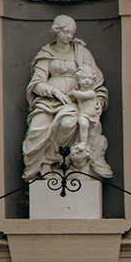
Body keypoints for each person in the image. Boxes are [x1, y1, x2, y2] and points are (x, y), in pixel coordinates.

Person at [21, 15, 113, 182]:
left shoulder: (81, 52)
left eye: (72, 32)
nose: (69, 36)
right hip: (49, 101)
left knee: (68, 122)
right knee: (37, 127)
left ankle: (56, 160)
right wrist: (55, 92)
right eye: (66, 32)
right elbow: (36, 83)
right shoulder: (46, 53)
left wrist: (98, 100)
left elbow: (95, 80)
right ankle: (43, 164)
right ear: (57, 31)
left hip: (75, 101)